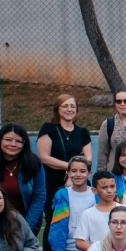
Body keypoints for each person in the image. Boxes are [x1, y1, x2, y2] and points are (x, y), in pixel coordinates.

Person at [0, 123, 46, 231]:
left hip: (26, 222)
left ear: (24, 144)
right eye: (8, 139)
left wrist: (27, 226)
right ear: (0, 141)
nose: (13, 144)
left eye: (18, 141)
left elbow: (40, 195)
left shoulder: (34, 163)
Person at [35, 94, 92, 223]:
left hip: (78, 182)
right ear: (58, 109)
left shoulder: (82, 132)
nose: (69, 109)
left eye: (72, 106)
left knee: (81, 219)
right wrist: (71, 168)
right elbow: (44, 157)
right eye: (65, 106)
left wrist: (74, 176)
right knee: (54, 220)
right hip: (52, 182)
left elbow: (88, 158)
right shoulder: (48, 129)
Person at [46, 155, 95, 251]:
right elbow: (57, 230)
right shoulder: (62, 195)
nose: (78, 174)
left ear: (89, 173)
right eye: (73, 171)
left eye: (82, 171)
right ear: (68, 173)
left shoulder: (96, 194)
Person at [75, 171, 126, 251]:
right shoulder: (88, 214)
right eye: (104, 187)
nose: (109, 191)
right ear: (94, 190)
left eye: (112, 186)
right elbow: (79, 242)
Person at [95, 90, 126, 172]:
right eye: (119, 101)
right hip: (113, 174)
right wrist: (101, 175)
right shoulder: (108, 124)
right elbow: (102, 154)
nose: (122, 104)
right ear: (115, 104)